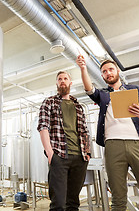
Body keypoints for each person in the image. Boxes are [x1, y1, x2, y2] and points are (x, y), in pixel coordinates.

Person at [76, 56, 139, 211]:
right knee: (118, 200)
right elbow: (89, 88)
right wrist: (83, 68)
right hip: (113, 146)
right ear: (102, 76)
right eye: (104, 71)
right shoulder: (103, 95)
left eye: (111, 69)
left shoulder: (137, 90)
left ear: (117, 71)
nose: (108, 73)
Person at [37, 71, 91, 211]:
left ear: (70, 83)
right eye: (59, 79)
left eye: (65, 78)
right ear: (56, 83)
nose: (62, 81)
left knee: (73, 203)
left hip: (80, 158)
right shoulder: (49, 102)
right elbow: (43, 126)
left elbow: (85, 131)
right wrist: (50, 153)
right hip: (59, 156)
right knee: (58, 204)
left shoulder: (78, 106)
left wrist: (87, 152)